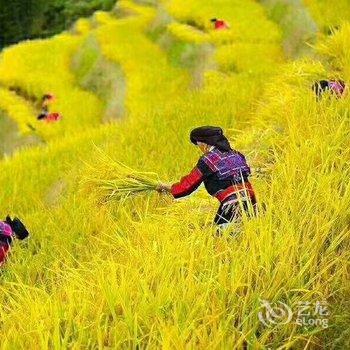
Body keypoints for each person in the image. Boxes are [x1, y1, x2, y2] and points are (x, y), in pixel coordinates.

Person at [158, 126, 256, 230]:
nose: (199, 147)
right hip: (252, 202)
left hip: (231, 204)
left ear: (205, 144)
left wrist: (165, 187)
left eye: (198, 144)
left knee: (222, 237)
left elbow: (187, 186)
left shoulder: (208, 160)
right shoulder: (237, 154)